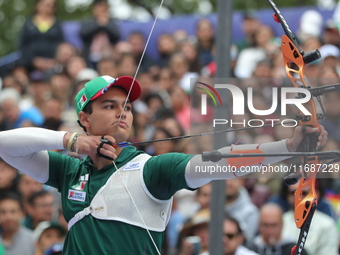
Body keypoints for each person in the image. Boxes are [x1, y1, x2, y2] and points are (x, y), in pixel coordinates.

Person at [0, 75, 328, 254]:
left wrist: (288, 146)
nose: (122, 113)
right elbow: (5, 145)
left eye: (126, 107)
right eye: (109, 105)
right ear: (84, 118)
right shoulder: (69, 171)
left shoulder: (150, 170)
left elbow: (219, 163)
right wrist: (71, 142)